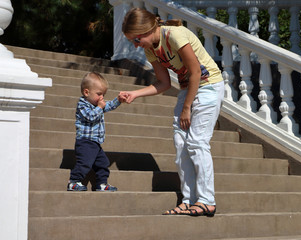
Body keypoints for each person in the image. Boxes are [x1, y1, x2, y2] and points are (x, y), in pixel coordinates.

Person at [120, 8, 224, 216]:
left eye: (137, 39)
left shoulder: (174, 35)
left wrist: (187, 107)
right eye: (132, 41)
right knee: (181, 145)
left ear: (148, 29)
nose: (135, 45)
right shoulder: (150, 49)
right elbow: (164, 83)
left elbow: (195, 72)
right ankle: (189, 200)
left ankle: (207, 200)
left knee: (197, 142)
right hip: (188, 89)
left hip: (208, 85)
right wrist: (135, 94)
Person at [67, 72, 123, 192]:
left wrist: (118, 100)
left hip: (95, 143)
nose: (102, 98)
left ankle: (101, 184)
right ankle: (74, 182)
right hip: (85, 142)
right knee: (85, 163)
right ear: (86, 92)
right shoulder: (82, 105)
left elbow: (108, 106)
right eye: (99, 94)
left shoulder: (97, 104)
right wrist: (99, 107)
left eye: (103, 94)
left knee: (103, 163)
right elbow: (90, 117)